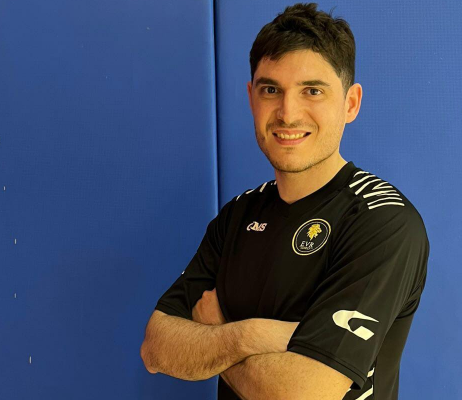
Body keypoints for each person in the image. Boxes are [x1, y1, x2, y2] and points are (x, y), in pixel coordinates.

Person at [140, 3, 430, 399]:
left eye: (312, 91)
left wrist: (217, 329)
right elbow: (156, 347)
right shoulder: (238, 215)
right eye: (271, 90)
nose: (287, 113)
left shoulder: (381, 222)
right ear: (251, 98)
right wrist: (249, 335)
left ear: (350, 103)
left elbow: (303, 394)